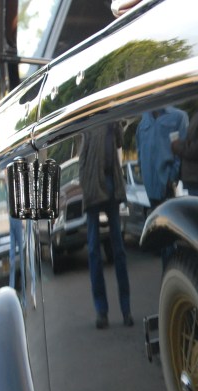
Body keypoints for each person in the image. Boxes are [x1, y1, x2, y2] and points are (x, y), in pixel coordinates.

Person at [80, 122, 132, 329]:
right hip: (94, 186)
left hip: (111, 182)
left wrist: (116, 122)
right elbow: (83, 156)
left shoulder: (112, 119)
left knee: (118, 250)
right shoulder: (88, 122)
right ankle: (102, 311)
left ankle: (126, 309)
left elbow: (120, 142)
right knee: (93, 251)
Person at [137, 106, 188, 209]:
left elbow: (183, 149)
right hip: (150, 187)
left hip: (168, 186)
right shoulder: (143, 123)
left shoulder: (178, 117)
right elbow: (139, 152)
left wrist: (172, 177)